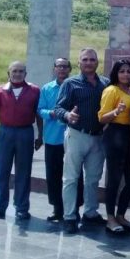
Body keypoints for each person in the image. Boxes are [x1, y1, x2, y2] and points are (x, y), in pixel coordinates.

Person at [54, 48, 110, 234]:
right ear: (79, 63)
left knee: (93, 178)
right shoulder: (70, 84)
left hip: (98, 137)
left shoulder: (105, 84)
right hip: (77, 135)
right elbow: (59, 108)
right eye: (85, 59)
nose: (88, 62)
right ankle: (69, 216)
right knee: (71, 178)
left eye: (92, 59)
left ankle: (90, 213)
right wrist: (68, 115)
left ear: (97, 62)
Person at [0, 61, 43, 220]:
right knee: (2, 171)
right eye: (14, 71)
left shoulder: (34, 91)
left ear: (25, 74)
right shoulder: (0, 90)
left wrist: (40, 136)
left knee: (23, 172)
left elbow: (39, 114)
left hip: (25, 132)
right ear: (8, 74)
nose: (17, 74)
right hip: (5, 132)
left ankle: (22, 208)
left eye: (21, 71)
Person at [37, 58, 83, 222]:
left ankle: (74, 208)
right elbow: (40, 109)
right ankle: (57, 208)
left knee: (74, 175)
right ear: (54, 69)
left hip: (73, 137)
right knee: (53, 174)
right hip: (53, 138)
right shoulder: (47, 88)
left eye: (65, 66)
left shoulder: (76, 86)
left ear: (70, 69)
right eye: (59, 66)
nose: (62, 69)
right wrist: (52, 113)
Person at [98, 59, 130, 234]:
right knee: (114, 178)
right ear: (116, 73)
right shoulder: (111, 90)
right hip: (115, 134)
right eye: (122, 71)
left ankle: (121, 214)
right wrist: (116, 111)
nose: (125, 74)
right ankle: (110, 218)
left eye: (128, 71)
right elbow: (101, 117)